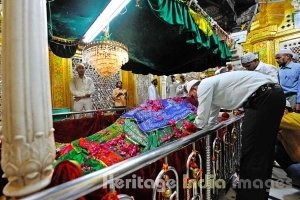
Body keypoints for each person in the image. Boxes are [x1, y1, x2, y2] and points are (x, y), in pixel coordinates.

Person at [188, 71, 285, 200]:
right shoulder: (214, 89)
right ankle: (258, 196)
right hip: (272, 96)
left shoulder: (205, 84)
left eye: (192, 95)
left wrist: (190, 130)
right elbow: (210, 120)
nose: (195, 99)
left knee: (252, 153)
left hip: (263, 98)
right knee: (263, 152)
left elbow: (201, 119)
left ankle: (249, 197)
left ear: (195, 88)